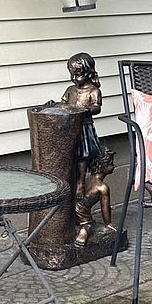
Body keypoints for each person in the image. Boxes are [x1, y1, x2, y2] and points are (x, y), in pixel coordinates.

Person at [59, 52, 102, 199]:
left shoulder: (93, 91)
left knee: (82, 156)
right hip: (70, 127)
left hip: (84, 128)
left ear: (88, 72)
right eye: (72, 74)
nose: (74, 77)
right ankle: (68, 181)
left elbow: (96, 108)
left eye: (78, 74)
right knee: (70, 155)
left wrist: (85, 110)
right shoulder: (70, 90)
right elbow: (63, 104)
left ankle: (81, 183)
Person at [74, 148, 117, 246]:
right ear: (103, 166)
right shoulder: (102, 187)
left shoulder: (87, 178)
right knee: (88, 225)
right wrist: (108, 224)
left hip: (73, 208)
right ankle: (83, 232)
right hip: (82, 212)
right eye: (111, 164)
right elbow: (105, 208)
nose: (114, 166)